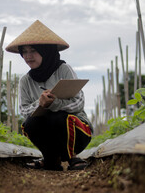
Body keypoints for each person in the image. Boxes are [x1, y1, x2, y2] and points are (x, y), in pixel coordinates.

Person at [5, 20, 93, 171]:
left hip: (78, 131)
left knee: (58, 117)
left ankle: (73, 157)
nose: (28, 56)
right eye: (24, 51)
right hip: (50, 134)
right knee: (30, 124)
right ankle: (51, 159)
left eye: (33, 50)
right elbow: (24, 110)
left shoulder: (64, 70)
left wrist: (54, 104)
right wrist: (40, 103)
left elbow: (79, 102)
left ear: (46, 51)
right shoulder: (25, 81)